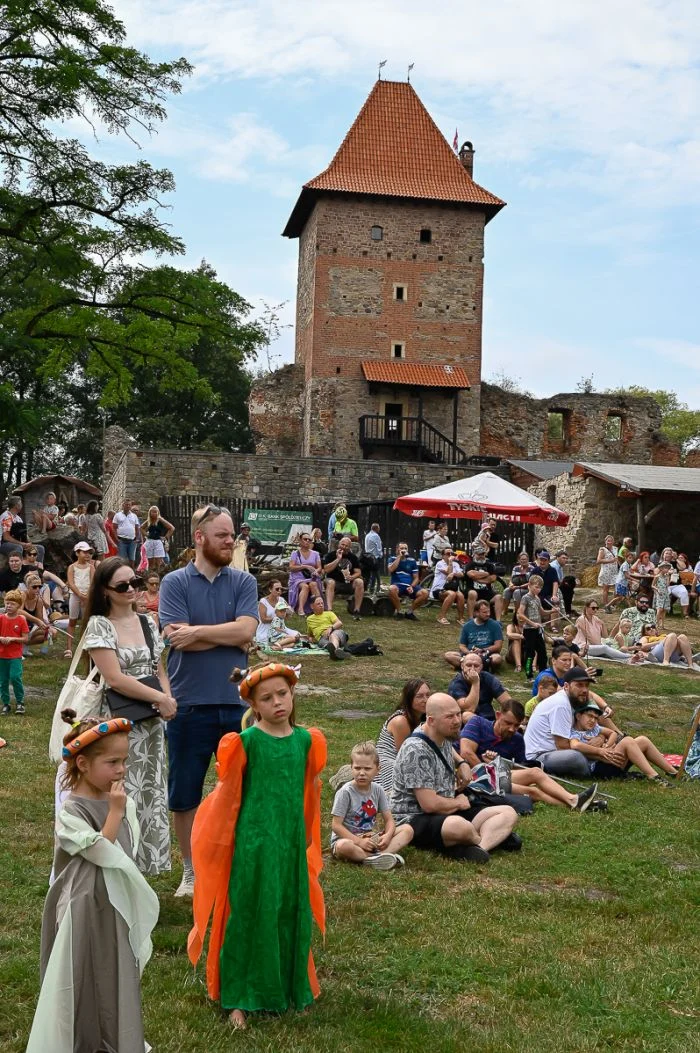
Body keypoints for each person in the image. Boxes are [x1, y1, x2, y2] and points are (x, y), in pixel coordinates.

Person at [188, 661, 326, 1031]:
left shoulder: (306, 741)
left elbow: (308, 791)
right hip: (253, 842)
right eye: (267, 698)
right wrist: (224, 841)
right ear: (253, 705)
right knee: (248, 912)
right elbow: (228, 796)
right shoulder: (245, 743)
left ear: (292, 693)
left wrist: (306, 834)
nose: (277, 702)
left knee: (288, 908)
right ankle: (239, 995)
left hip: (290, 841)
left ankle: (290, 987)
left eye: (282, 694)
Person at [26, 710, 159, 1053]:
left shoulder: (115, 798)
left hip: (114, 903)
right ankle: (82, 1039)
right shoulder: (72, 810)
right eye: (112, 762)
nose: (121, 770)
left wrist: (118, 809)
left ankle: (114, 1037)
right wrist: (115, 812)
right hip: (84, 904)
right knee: (82, 971)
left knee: (114, 967)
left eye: (124, 760)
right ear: (83, 764)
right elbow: (102, 851)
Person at [159, 504, 259, 897]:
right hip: (188, 704)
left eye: (231, 534)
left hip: (238, 705)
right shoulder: (174, 582)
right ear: (199, 538)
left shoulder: (244, 581)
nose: (230, 541)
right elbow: (175, 637)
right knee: (185, 793)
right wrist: (228, 634)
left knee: (241, 791)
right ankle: (191, 871)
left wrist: (198, 632)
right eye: (222, 535)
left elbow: (247, 631)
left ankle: (236, 865)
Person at [82, 556, 176, 876]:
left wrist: (167, 699)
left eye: (135, 582)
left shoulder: (148, 622)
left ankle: (143, 868)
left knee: (150, 791)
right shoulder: (100, 625)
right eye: (122, 586)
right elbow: (114, 678)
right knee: (121, 791)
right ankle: (117, 865)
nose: (132, 589)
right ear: (105, 591)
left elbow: (158, 669)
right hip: (119, 724)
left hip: (151, 723)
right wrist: (160, 698)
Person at [391, 693, 520, 863]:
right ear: (431, 721)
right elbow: (429, 805)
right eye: (450, 717)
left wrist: (463, 763)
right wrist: (458, 803)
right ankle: (486, 837)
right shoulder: (416, 750)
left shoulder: (441, 734)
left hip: (447, 808)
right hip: (414, 817)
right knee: (458, 826)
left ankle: (479, 848)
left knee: (508, 812)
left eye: (458, 714)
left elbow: (448, 750)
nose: (457, 721)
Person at [459, 699, 599, 811]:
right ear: (498, 715)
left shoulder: (517, 739)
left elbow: (519, 768)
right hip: (468, 776)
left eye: (516, 725)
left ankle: (575, 801)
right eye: (508, 723)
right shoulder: (478, 723)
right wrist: (488, 768)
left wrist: (497, 763)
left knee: (535, 775)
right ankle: (579, 803)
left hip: (495, 776)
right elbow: (466, 752)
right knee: (532, 792)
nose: (512, 729)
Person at [330, 741, 413, 869]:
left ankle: (376, 857)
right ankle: (377, 858)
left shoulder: (378, 790)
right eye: (357, 768)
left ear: (378, 770)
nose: (362, 773)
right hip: (349, 839)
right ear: (351, 768)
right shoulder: (345, 792)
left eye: (367, 769)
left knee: (407, 830)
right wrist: (359, 842)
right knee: (343, 847)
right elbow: (336, 826)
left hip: (369, 838)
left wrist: (387, 836)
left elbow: (389, 820)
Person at [570, 701, 679, 784]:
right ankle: (653, 776)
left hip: (611, 760)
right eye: (589, 716)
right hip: (599, 769)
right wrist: (600, 751)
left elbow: (612, 733)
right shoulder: (575, 733)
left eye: (595, 718)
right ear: (578, 716)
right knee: (627, 741)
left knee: (642, 740)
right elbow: (575, 745)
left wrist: (607, 746)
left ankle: (673, 772)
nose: (593, 720)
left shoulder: (594, 728)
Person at [524, 667, 604, 778]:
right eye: (580, 685)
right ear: (566, 686)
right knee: (576, 757)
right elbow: (562, 745)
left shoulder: (575, 700)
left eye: (587, 685)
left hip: (557, 751)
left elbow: (595, 729)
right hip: (539, 756)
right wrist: (598, 752)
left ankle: (602, 764)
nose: (585, 690)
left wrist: (600, 738)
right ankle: (596, 768)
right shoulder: (561, 704)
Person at [376, 678, 430, 793]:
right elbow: (406, 755)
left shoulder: (424, 718)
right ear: (409, 699)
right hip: (389, 762)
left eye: (427, 695)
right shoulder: (401, 721)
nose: (425, 700)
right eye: (419, 696)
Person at [447, 652, 512, 722]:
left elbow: (507, 702)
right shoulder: (456, 684)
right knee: (466, 716)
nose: (472, 669)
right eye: (468, 665)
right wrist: (475, 683)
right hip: (470, 722)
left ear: (481, 667)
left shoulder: (488, 678)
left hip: (490, 717)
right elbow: (469, 708)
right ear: (462, 666)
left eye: (476, 666)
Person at [444, 598, 503, 670]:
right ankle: (479, 665)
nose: (488, 614)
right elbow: (462, 646)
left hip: (487, 654)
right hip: (469, 654)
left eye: (489, 611)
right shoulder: (467, 626)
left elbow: (498, 646)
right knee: (448, 655)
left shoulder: (495, 625)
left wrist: (483, 650)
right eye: (484, 612)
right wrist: (469, 653)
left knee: (497, 659)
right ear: (476, 613)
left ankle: (467, 665)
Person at [65, 541, 95, 658]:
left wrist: (87, 595)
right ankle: (69, 648)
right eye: (84, 552)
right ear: (77, 553)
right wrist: (80, 595)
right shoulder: (72, 567)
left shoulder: (91, 567)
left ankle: (86, 647)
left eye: (89, 552)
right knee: (72, 621)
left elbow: (92, 582)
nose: (87, 554)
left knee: (86, 621)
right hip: (75, 595)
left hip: (87, 596)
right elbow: (71, 583)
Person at [0, 590, 29, 715]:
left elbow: (25, 638)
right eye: (7, 603)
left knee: (15, 677)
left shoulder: (21, 620)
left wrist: (12, 639)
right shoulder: (1, 618)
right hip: (2, 655)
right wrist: (1, 638)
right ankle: (6, 703)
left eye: (12, 604)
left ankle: (20, 702)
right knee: (3, 680)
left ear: (18, 606)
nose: (9, 606)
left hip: (15, 655)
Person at [323, 535, 365, 619]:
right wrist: (338, 559)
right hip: (334, 582)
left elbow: (358, 572)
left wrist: (352, 577)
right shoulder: (330, 555)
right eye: (342, 544)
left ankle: (356, 610)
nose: (344, 547)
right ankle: (329, 611)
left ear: (349, 547)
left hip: (348, 583)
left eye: (346, 546)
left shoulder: (353, 557)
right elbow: (326, 570)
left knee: (360, 582)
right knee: (331, 582)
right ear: (339, 544)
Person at [388, 542, 429, 620]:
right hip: (397, 585)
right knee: (391, 589)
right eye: (401, 548)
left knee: (425, 593)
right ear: (397, 550)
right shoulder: (392, 559)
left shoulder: (412, 561)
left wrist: (412, 586)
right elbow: (391, 570)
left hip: (409, 585)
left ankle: (409, 612)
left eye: (405, 548)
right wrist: (399, 557)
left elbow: (416, 578)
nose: (404, 550)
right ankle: (399, 612)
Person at [517, 573, 548, 679]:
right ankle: (529, 674)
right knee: (530, 654)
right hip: (529, 630)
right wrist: (532, 623)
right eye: (536, 587)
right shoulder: (525, 598)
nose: (538, 590)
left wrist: (553, 611)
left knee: (542, 652)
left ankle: (544, 673)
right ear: (529, 586)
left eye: (540, 588)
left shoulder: (537, 598)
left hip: (537, 630)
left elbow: (542, 612)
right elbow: (520, 613)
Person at [288, 530, 324, 616]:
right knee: (305, 586)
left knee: (313, 584)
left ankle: (318, 607)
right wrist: (305, 566)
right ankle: (300, 609)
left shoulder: (315, 554)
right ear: (300, 541)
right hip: (297, 578)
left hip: (312, 577)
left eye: (309, 539)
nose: (307, 541)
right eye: (305, 539)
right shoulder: (295, 553)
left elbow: (319, 567)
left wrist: (316, 571)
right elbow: (291, 567)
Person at [1, 496, 45, 564]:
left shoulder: (18, 518)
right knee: (18, 548)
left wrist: (28, 544)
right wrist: (22, 544)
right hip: (3, 544)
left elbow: (24, 534)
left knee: (40, 548)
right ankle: (19, 569)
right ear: (16, 506)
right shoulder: (6, 517)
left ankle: (36, 568)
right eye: (21, 503)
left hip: (18, 543)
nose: (22, 505)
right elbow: (6, 537)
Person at [306, 594, 351, 659]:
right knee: (327, 644)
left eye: (322, 603)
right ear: (312, 606)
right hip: (322, 638)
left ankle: (335, 651)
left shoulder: (329, 613)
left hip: (335, 632)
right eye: (318, 604)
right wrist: (310, 638)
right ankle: (337, 653)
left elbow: (339, 623)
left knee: (333, 636)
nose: (321, 605)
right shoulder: (309, 619)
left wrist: (331, 628)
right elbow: (310, 634)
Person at [431, 545, 466, 625]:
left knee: (460, 595)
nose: (450, 555)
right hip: (438, 589)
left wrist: (453, 574)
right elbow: (448, 573)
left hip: (451, 588)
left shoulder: (456, 564)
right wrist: (450, 563)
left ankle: (460, 618)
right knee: (452, 594)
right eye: (448, 554)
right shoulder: (440, 563)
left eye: (451, 554)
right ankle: (441, 617)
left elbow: (461, 574)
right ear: (443, 556)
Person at [464, 551, 503, 621]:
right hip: (473, 589)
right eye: (479, 554)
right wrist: (486, 574)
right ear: (474, 555)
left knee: (499, 597)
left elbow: (492, 579)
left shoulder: (490, 565)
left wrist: (477, 578)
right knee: (472, 593)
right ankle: (471, 619)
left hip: (487, 591)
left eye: (482, 554)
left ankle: (498, 621)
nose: (481, 556)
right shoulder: (470, 564)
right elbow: (471, 574)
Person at [140, 505, 174, 570]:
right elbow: (141, 528)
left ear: (158, 512)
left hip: (158, 541)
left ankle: (159, 573)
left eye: (155, 512)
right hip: (150, 541)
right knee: (150, 562)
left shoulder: (161, 520)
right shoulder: (149, 521)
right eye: (152, 512)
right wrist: (146, 535)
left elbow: (172, 528)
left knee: (159, 561)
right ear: (150, 513)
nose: (154, 513)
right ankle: (151, 573)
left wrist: (166, 537)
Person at [255, 579, 285, 647]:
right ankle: (278, 645)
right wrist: (278, 618)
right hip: (265, 630)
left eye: (281, 589)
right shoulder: (263, 601)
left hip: (279, 629)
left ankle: (278, 645)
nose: (279, 591)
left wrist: (289, 612)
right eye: (277, 589)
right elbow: (263, 619)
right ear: (270, 589)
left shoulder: (281, 600)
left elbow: (287, 614)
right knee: (290, 640)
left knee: (295, 637)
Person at [113, 499, 141, 565]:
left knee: (132, 558)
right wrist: (116, 539)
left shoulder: (134, 516)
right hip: (121, 540)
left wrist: (137, 539)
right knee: (122, 559)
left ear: (131, 506)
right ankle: (122, 570)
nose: (128, 506)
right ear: (123, 505)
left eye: (129, 505)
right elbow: (114, 528)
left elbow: (137, 528)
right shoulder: (117, 515)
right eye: (126, 504)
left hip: (132, 541)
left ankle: (131, 570)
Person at [596, 535, 619, 606]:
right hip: (606, 572)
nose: (609, 542)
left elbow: (617, 559)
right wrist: (610, 560)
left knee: (617, 588)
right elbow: (598, 561)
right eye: (608, 541)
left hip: (614, 572)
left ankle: (613, 604)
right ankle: (606, 605)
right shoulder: (602, 549)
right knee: (606, 589)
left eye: (611, 541)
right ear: (605, 541)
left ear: (613, 542)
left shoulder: (615, 549)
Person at [363, 521, 383, 593]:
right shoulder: (376, 536)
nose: (379, 529)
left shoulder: (367, 535)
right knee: (374, 573)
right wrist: (380, 555)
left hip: (368, 556)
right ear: (376, 528)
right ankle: (372, 589)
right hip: (375, 557)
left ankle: (377, 587)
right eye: (379, 528)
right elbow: (379, 547)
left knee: (374, 573)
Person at [652, 561, 672, 629]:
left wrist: (668, 577)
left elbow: (667, 585)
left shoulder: (666, 577)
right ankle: (656, 624)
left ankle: (662, 625)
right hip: (659, 594)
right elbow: (652, 585)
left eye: (667, 568)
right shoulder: (657, 576)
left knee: (664, 609)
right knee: (660, 609)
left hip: (665, 594)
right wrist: (657, 589)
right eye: (665, 568)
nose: (667, 569)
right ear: (661, 568)